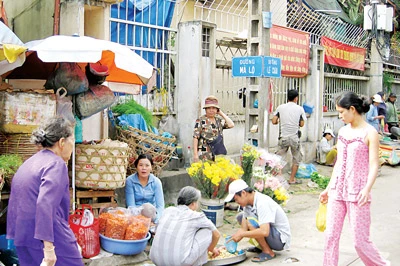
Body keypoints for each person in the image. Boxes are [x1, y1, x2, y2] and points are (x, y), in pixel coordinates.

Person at [319, 92, 390, 266]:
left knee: (360, 242)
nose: (340, 116)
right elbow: (339, 163)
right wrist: (328, 188)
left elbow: (374, 165)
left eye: (342, 112)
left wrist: (367, 189)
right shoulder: (342, 131)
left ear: (352, 109)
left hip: (358, 192)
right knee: (330, 237)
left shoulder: (370, 133)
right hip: (337, 191)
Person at [7, 117, 83, 266]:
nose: (73, 146)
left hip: (22, 236)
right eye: (72, 140)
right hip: (48, 237)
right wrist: (48, 248)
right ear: (62, 143)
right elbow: (45, 204)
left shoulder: (30, 162)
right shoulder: (56, 164)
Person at [149, 186, 220, 266]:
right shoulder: (196, 216)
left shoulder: (167, 211)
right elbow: (217, 234)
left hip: (156, 259)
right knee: (208, 230)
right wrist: (211, 248)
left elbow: (156, 232)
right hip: (180, 263)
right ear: (193, 203)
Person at [224, 179, 291, 263]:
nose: (236, 202)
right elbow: (243, 228)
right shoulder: (247, 205)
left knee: (251, 221)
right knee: (241, 217)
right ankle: (261, 246)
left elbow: (264, 232)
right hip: (270, 234)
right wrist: (233, 239)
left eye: (236, 199)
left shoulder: (262, 202)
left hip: (280, 239)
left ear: (244, 193)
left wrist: (242, 234)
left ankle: (268, 252)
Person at [272, 89, 307, 184]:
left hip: (283, 137)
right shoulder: (300, 109)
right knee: (296, 159)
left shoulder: (280, 108)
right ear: (296, 98)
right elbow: (302, 124)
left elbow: (274, 121)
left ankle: (278, 179)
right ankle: (292, 179)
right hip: (295, 138)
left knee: (278, 159)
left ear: (287, 97)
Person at [125, 154, 165, 224]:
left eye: (147, 165)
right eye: (141, 165)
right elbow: (131, 206)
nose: (144, 168)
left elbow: (160, 206)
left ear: (151, 167)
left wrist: (156, 221)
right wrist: (139, 220)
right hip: (135, 215)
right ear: (136, 167)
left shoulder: (156, 182)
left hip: (151, 214)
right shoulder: (130, 181)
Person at [193, 95, 234, 161]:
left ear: (217, 110)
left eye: (214, 108)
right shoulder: (200, 120)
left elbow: (231, 125)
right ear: (205, 109)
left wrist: (221, 113)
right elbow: (195, 137)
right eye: (209, 108)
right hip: (205, 154)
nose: (211, 110)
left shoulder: (219, 121)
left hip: (218, 153)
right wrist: (195, 154)